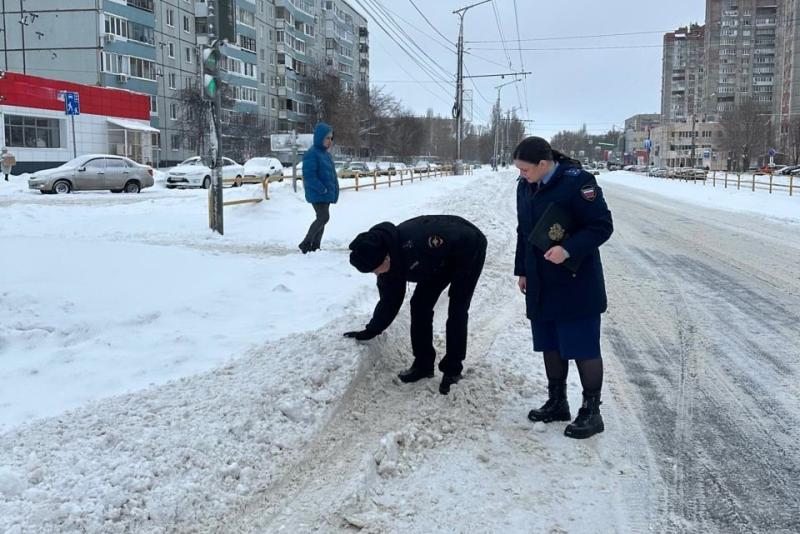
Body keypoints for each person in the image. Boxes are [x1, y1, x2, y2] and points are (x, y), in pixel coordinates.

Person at [513, 136, 613, 439]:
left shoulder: (578, 183)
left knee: (582, 346)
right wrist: (522, 271)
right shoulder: (525, 186)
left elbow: (601, 226)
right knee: (550, 342)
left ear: (544, 164)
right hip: (541, 278)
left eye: (526, 169)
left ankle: (591, 412)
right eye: (518, 170)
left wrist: (568, 249)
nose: (521, 175)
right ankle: (557, 402)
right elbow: (524, 230)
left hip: (574, 280)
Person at [344, 215, 487, 395]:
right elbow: (390, 301)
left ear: (387, 258)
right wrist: (371, 330)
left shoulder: (419, 244)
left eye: (375, 269)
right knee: (419, 305)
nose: (375, 274)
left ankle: (452, 370)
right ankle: (423, 364)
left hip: (468, 247)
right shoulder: (386, 259)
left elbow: (457, 240)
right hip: (436, 261)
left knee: (457, 308)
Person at [299, 122, 339, 253]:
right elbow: (309, 177)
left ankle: (315, 246)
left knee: (322, 219)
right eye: (327, 138)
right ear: (320, 138)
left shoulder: (326, 155)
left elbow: (331, 175)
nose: (330, 141)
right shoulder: (312, 154)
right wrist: (322, 189)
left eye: (331, 138)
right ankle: (306, 243)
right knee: (323, 217)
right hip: (318, 193)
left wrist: (333, 190)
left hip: (325, 194)